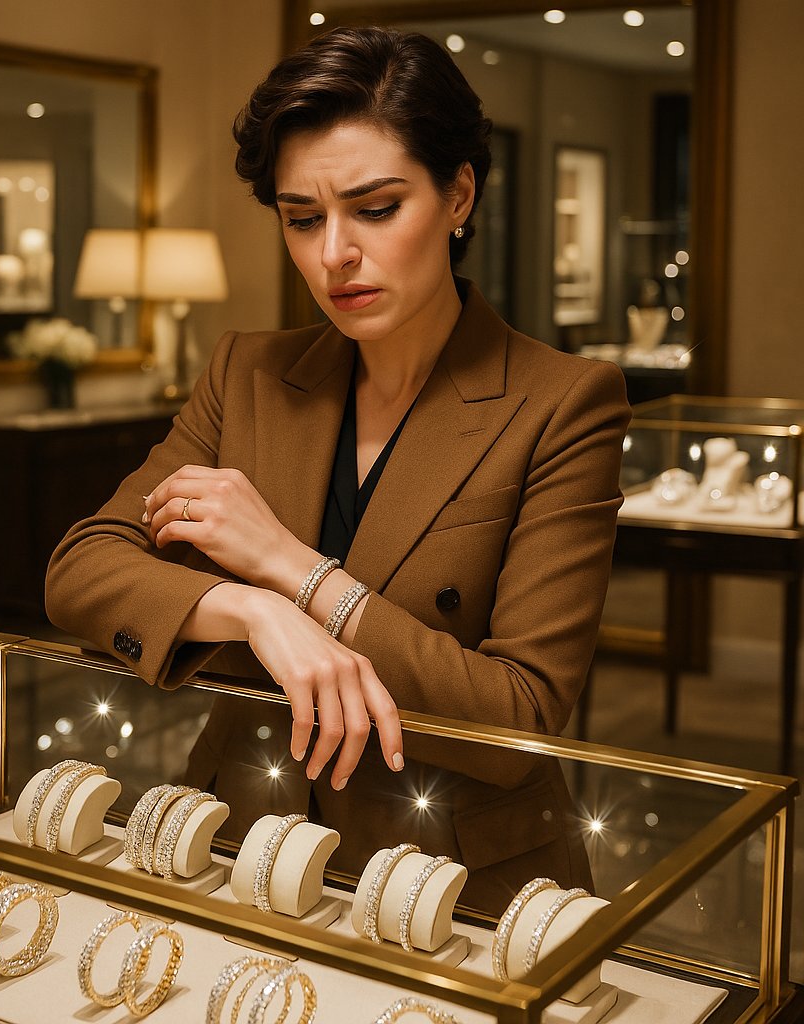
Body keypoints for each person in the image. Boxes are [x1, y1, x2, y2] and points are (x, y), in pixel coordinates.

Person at [46, 26, 631, 913]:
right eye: (302, 218)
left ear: (458, 193)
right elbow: (82, 566)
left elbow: (522, 718)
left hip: (455, 887)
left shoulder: (564, 401)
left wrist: (296, 570)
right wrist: (249, 609)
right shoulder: (246, 372)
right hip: (236, 842)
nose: (334, 256)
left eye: (376, 208)